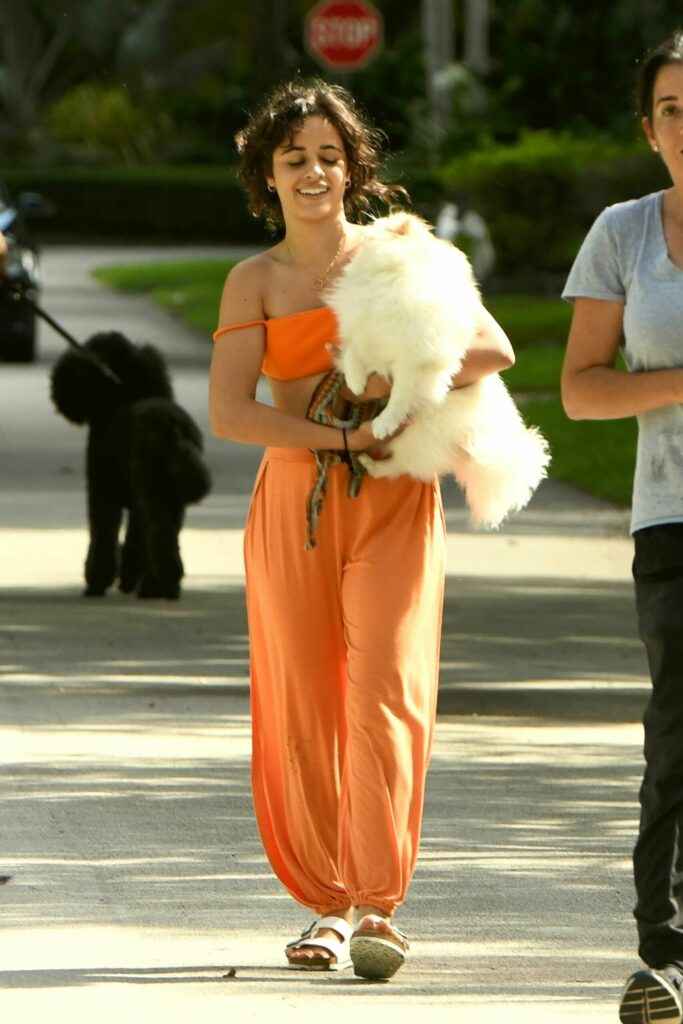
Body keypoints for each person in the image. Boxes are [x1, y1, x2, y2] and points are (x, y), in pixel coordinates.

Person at [209, 78, 514, 979]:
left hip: (393, 500)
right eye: (293, 158)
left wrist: (388, 375)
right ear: (267, 175)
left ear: (354, 168)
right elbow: (232, 412)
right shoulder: (254, 281)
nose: (313, 173)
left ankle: (378, 903)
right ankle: (327, 903)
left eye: (329, 157)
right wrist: (338, 435)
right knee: (304, 697)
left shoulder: (398, 256)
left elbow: (492, 347)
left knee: (383, 688)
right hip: (294, 504)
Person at [561, 30, 683, 1024]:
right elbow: (579, 389)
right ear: (648, 130)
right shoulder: (622, 233)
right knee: (676, 734)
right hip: (670, 517)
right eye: (671, 110)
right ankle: (662, 955)